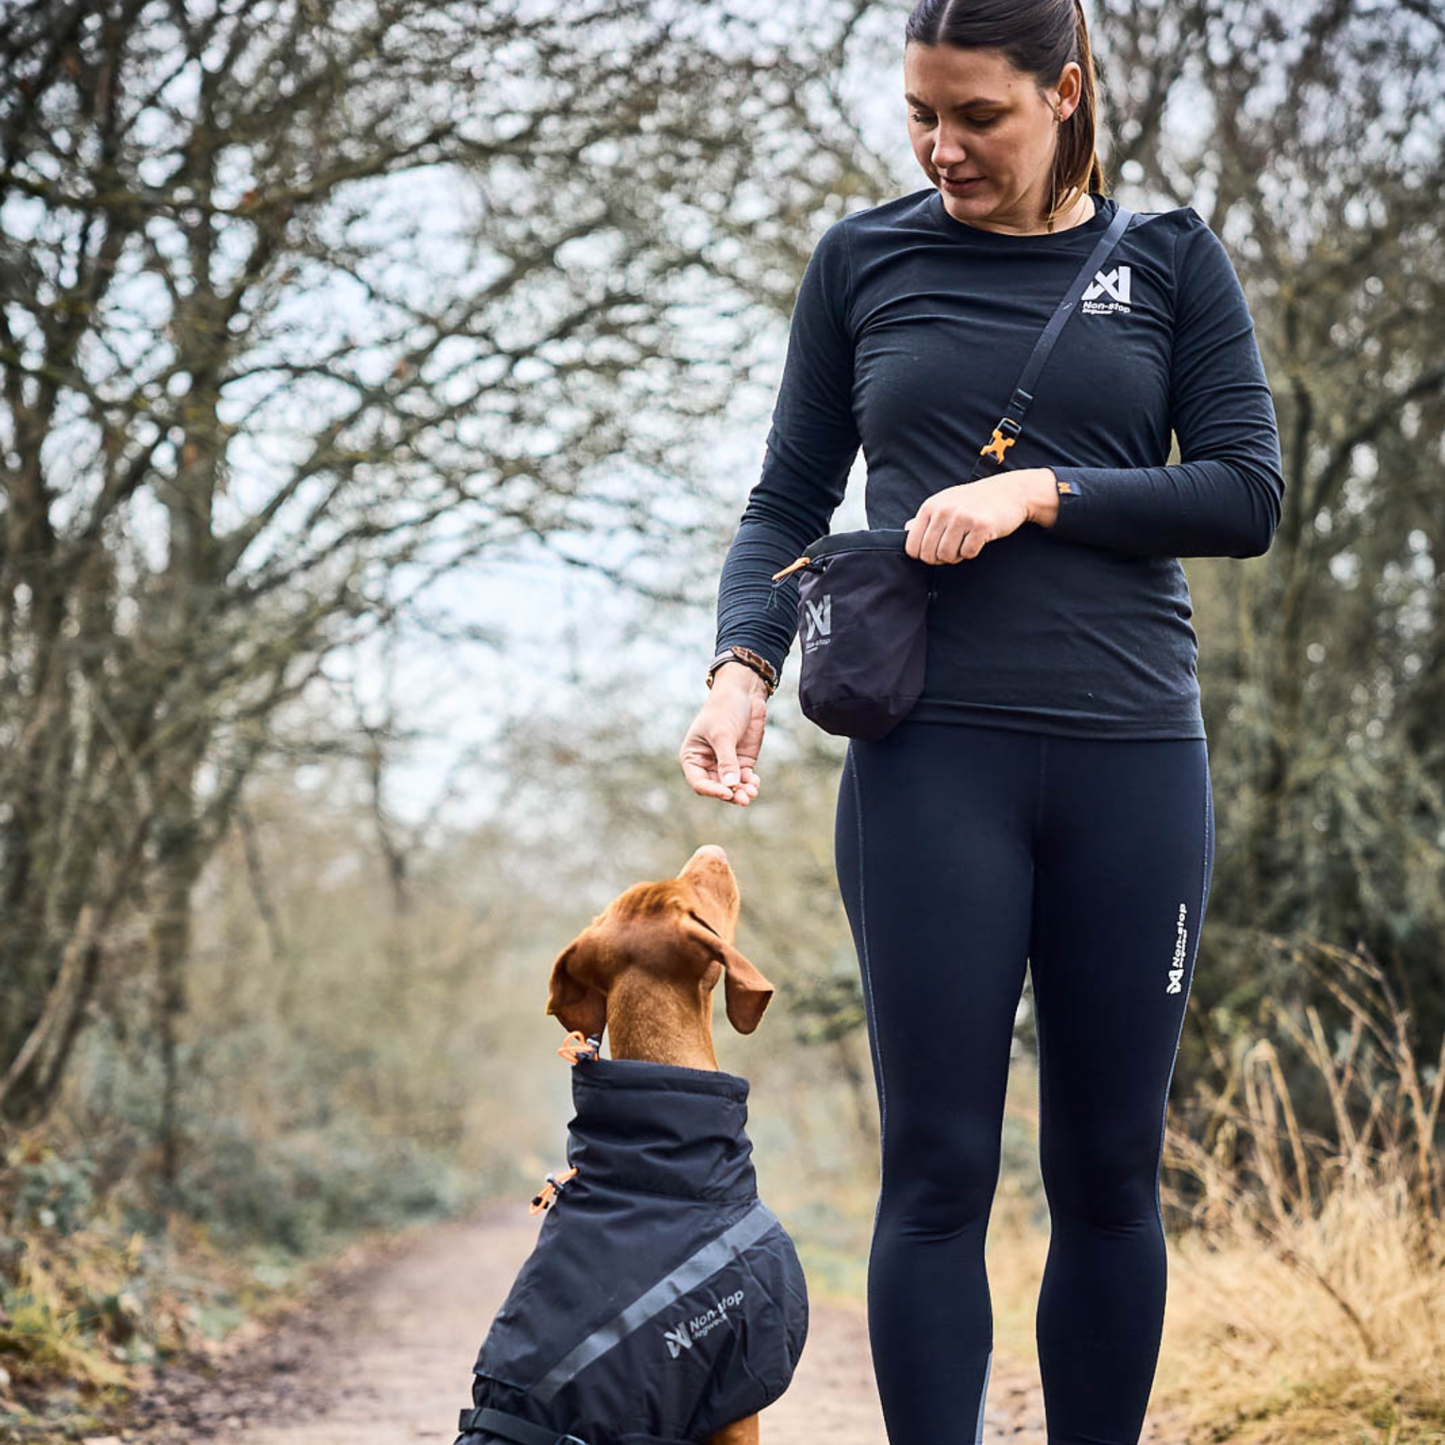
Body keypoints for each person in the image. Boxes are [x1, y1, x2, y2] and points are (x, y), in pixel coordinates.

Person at [678, 0, 1284, 1441]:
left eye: (979, 116)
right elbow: (786, 502)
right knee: (940, 1171)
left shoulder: (1169, 261)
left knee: (1108, 1172)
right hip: (929, 764)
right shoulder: (865, 262)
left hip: (1133, 763)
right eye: (921, 115)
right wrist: (741, 664)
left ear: (1064, 95)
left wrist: (1042, 489)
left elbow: (1247, 494)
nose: (944, 147)